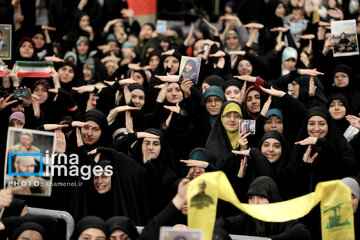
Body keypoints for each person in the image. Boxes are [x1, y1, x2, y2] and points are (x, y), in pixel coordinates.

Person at [289, 106, 356, 197]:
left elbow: (348, 171)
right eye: (312, 124)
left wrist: (323, 143)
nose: (316, 128)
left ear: (329, 125)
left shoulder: (340, 145)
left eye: (321, 124)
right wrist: (305, 166)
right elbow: (291, 184)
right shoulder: (300, 147)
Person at [216, 176, 311, 239]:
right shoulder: (246, 218)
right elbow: (220, 224)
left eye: (261, 197)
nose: (255, 203)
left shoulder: (282, 217)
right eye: (251, 198)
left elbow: (302, 231)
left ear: (272, 198)